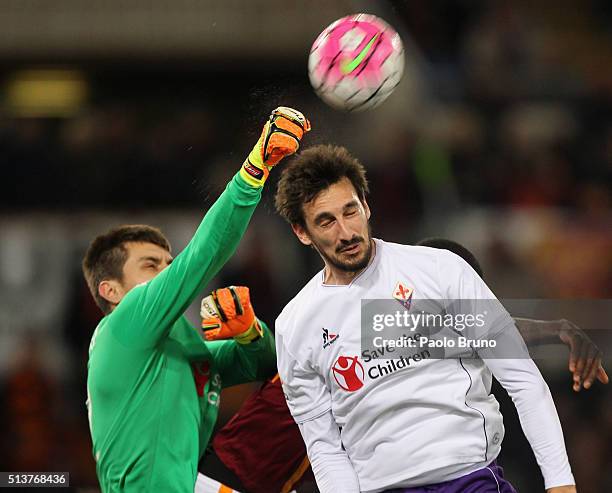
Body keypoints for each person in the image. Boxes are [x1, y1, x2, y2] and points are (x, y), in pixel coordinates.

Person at [273, 144, 577, 493]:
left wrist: (560, 482)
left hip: (469, 480)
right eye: (326, 221)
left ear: (366, 206)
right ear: (301, 232)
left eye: (350, 211)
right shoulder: (295, 326)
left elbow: (523, 378)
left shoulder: (439, 270)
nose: (346, 233)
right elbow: (324, 447)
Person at [198, 239, 607, 493]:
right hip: (229, 479)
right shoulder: (369, 327)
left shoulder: (375, 328)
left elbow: (486, 332)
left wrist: (558, 328)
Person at [83, 107, 310, 492]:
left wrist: (248, 331)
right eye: (151, 265)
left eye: (168, 264)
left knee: (298, 376)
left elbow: (265, 365)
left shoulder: (180, 347)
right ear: (111, 290)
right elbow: (202, 256)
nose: (166, 273)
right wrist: (256, 167)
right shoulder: (123, 325)